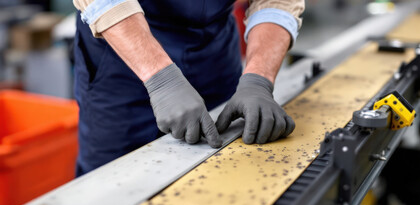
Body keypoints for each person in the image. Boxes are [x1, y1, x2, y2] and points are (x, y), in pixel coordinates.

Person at [72, 0, 305, 176]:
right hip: (120, 61)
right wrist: (162, 79)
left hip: (213, 57)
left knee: (222, 174)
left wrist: (258, 79)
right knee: (112, 184)